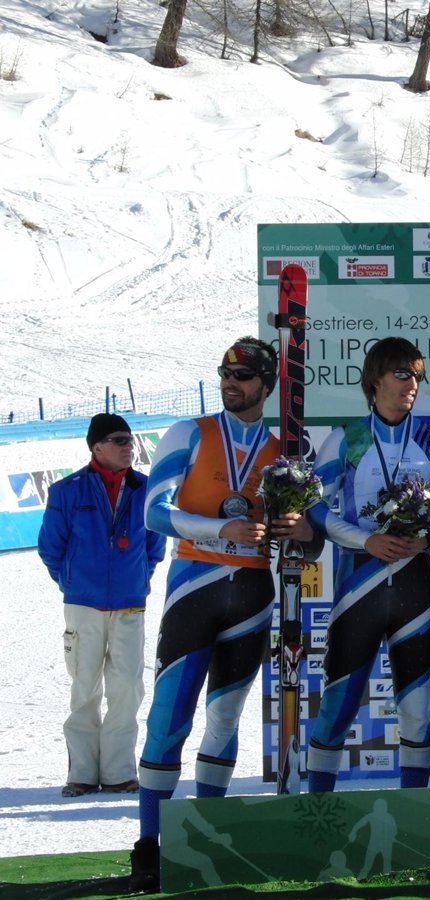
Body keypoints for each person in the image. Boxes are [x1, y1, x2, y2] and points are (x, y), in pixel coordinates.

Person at [130, 337, 320, 892]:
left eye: (242, 376)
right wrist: (222, 528)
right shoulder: (188, 433)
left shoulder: (287, 450)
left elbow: (310, 541)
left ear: (266, 385)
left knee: (225, 719)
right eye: (224, 373)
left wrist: (299, 528)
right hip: (195, 588)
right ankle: (150, 846)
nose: (230, 383)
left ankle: (207, 835)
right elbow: (154, 513)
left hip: (253, 594)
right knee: (168, 720)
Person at [306, 338, 430, 792]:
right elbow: (315, 508)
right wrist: (366, 540)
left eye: (417, 375)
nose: (412, 384)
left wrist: (424, 539)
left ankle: (413, 810)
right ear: (375, 379)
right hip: (358, 589)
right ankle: (317, 812)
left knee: (417, 710)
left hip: (416, 589)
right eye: (402, 374)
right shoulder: (347, 438)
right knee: (337, 705)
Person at [38, 413, 166, 798]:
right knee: (85, 686)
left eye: (130, 439)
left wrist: (138, 578)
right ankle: (81, 772)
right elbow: (51, 548)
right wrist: (74, 582)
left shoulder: (147, 488)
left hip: (130, 604)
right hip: (84, 605)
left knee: (127, 688)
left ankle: (118, 772)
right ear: (97, 447)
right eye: (119, 440)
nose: (130, 446)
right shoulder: (67, 491)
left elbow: (155, 547)